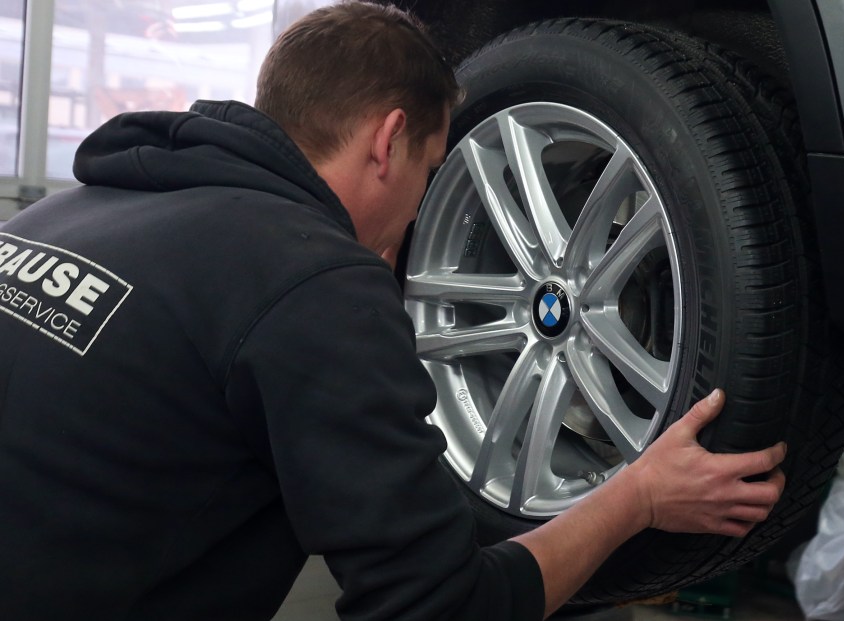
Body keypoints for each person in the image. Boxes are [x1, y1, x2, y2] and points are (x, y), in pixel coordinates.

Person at [0, 2, 786, 620]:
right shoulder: (309, 279)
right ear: (389, 140)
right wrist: (639, 496)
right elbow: (440, 607)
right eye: (434, 168)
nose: (418, 219)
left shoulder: (61, 215)